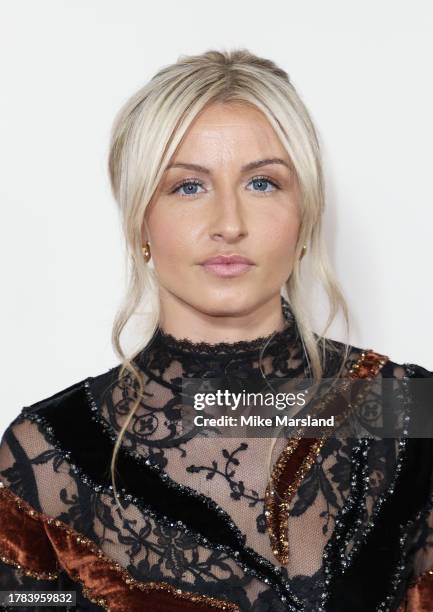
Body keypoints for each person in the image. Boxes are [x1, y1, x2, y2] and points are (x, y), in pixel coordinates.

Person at [0, 49, 432, 612]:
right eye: (187, 187)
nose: (228, 224)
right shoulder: (45, 453)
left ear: (305, 212)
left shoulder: (407, 409)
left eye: (262, 183)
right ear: (139, 220)